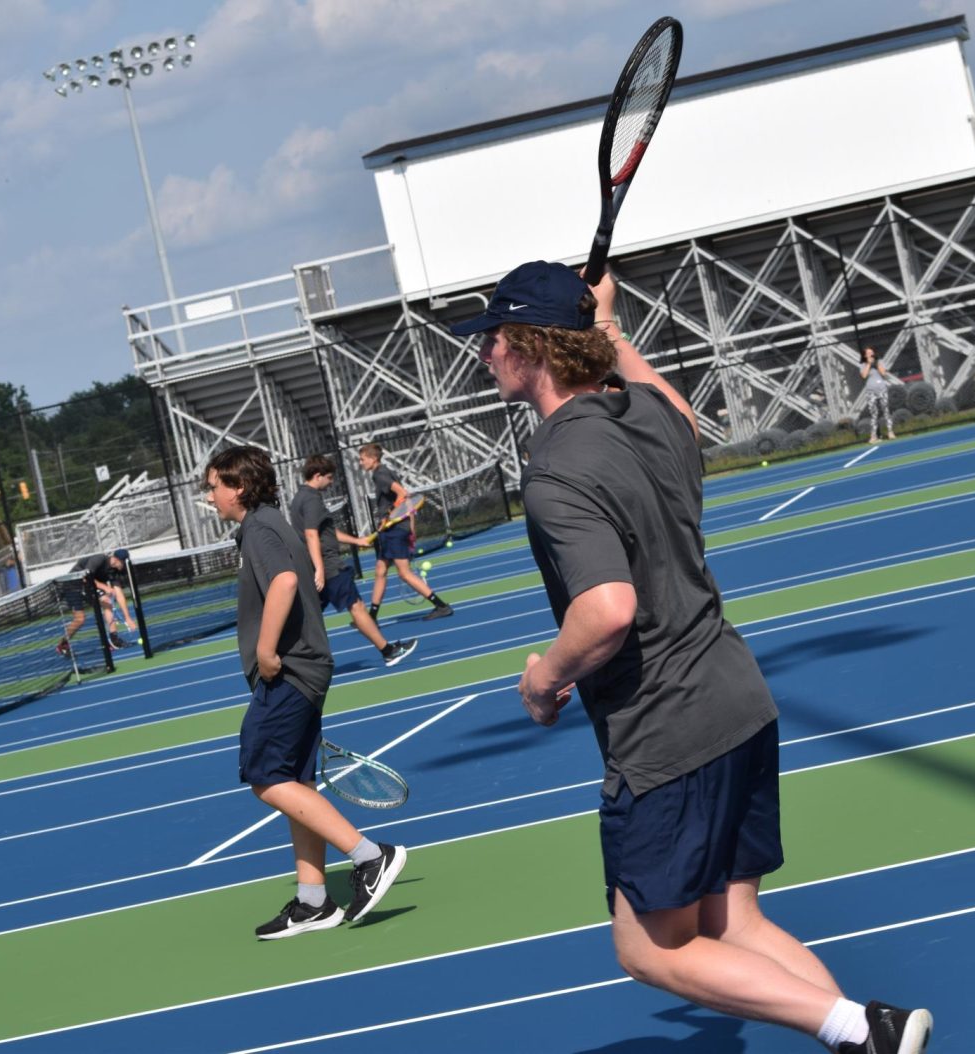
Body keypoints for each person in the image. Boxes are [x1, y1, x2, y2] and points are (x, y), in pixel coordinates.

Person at [450, 259, 932, 1054]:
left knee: (646, 948)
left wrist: (544, 677)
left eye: (494, 339)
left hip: (667, 730)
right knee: (732, 922)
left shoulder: (556, 469)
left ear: (531, 345)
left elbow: (606, 610)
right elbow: (679, 409)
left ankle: (862, 1029)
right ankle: (866, 1039)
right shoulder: (644, 419)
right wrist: (608, 324)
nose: (484, 354)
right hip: (737, 699)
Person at [204, 444, 407, 939]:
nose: (210, 497)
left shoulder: (259, 527)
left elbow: (287, 582)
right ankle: (313, 900)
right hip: (305, 669)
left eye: (214, 487)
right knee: (296, 782)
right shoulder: (271, 523)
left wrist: (268, 651)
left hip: (290, 672)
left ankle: (369, 856)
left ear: (238, 486)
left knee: (264, 776)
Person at [290, 454, 417, 668]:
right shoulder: (311, 499)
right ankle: (388, 651)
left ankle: (290, 661)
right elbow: (311, 534)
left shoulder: (298, 499)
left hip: (316, 568)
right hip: (329, 568)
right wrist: (320, 569)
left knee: (305, 619)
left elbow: (326, 532)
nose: (331, 483)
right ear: (318, 475)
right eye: (329, 478)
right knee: (357, 607)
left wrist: (357, 541)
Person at [357, 443, 453, 622]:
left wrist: (389, 516)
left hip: (394, 530)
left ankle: (441, 605)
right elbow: (406, 501)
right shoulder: (385, 472)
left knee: (404, 573)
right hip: (392, 529)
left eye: (362, 459)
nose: (360, 463)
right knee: (380, 570)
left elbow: (403, 494)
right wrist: (410, 525)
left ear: (373, 458)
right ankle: (371, 617)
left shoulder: (380, 474)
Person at [55, 548, 134, 655]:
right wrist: (105, 587)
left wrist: (128, 618)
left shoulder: (114, 571)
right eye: (123, 562)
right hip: (73, 585)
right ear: (116, 560)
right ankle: (63, 643)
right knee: (80, 619)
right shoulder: (99, 559)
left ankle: (114, 640)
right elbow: (86, 577)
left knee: (107, 602)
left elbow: (119, 594)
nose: (124, 565)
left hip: (89, 586)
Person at [860, 347, 896, 444]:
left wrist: (876, 364)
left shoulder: (879, 362)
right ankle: (874, 436)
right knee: (874, 414)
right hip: (871, 392)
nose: (871, 354)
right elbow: (864, 375)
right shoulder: (863, 364)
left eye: (872, 352)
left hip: (882, 390)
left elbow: (883, 373)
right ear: (865, 355)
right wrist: (869, 364)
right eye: (868, 353)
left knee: (886, 411)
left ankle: (890, 432)